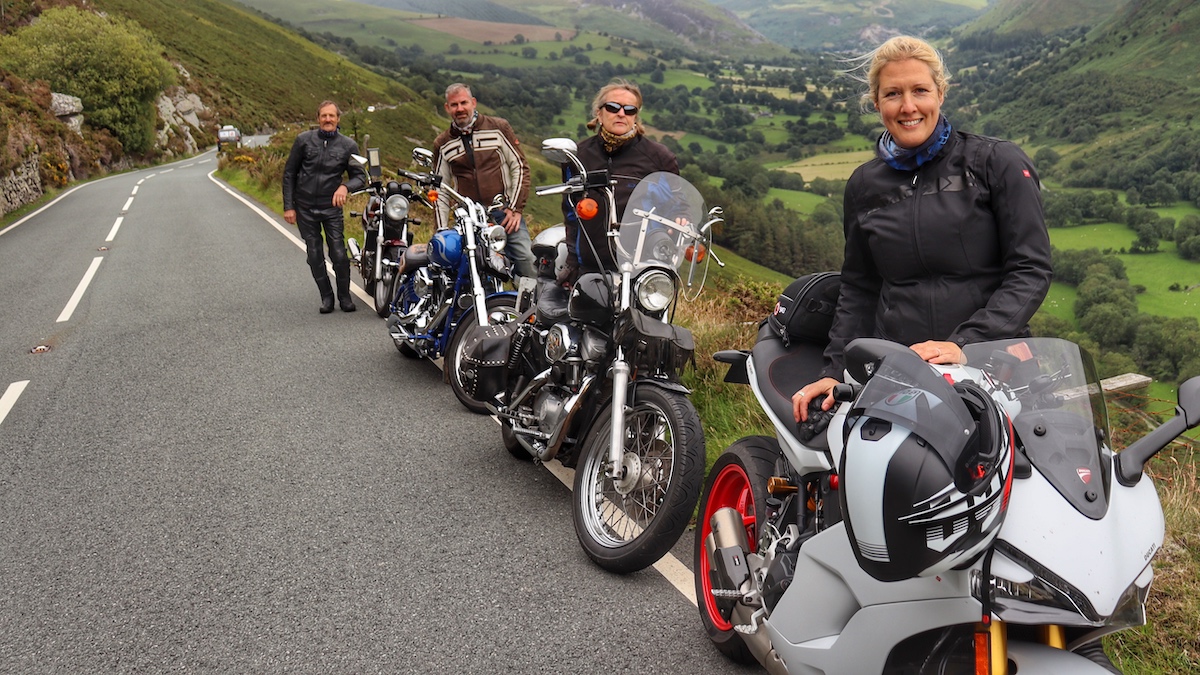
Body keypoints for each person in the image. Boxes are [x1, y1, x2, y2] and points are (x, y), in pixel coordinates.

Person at [793, 35, 1052, 422]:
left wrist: (966, 343)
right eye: (893, 94)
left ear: (941, 93)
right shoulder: (865, 186)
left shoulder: (995, 163)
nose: (908, 106)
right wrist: (834, 372)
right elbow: (860, 287)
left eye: (920, 90)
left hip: (993, 368)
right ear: (877, 102)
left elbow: (1031, 270)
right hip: (899, 374)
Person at [558, 79, 679, 285]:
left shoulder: (659, 158)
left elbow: (676, 204)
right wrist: (572, 261)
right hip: (592, 264)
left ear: (635, 116)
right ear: (599, 113)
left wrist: (681, 219)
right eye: (613, 107)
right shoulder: (578, 157)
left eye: (629, 110)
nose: (621, 113)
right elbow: (571, 213)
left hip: (642, 265)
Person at [431, 83, 536, 278]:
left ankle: (531, 307)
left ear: (473, 103)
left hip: (503, 213)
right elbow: (440, 190)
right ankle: (479, 307)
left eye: (464, 103)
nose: (460, 109)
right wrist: (441, 230)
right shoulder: (443, 143)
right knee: (473, 270)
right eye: (454, 105)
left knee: (526, 261)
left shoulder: (498, 127)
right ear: (447, 108)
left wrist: (515, 208)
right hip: (468, 218)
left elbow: (520, 166)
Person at [282, 100, 368, 313]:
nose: (328, 119)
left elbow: (360, 176)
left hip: (331, 208)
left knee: (338, 253)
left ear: (338, 119)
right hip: (304, 207)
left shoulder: (349, 145)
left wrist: (345, 187)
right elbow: (289, 173)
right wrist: (289, 206)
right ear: (318, 118)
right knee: (314, 254)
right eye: (324, 116)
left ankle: (345, 297)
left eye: (332, 116)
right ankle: (327, 298)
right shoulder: (303, 141)